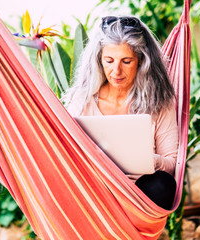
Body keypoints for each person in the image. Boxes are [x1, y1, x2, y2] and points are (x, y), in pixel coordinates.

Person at [62, 16, 178, 210]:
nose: (116, 70)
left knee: (163, 185)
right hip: (94, 188)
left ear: (141, 61)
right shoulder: (82, 100)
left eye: (126, 61)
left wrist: (144, 159)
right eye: (109, 60)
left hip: (138, 197)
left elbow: (171, 163)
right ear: (99, 60)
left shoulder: (159, 103)